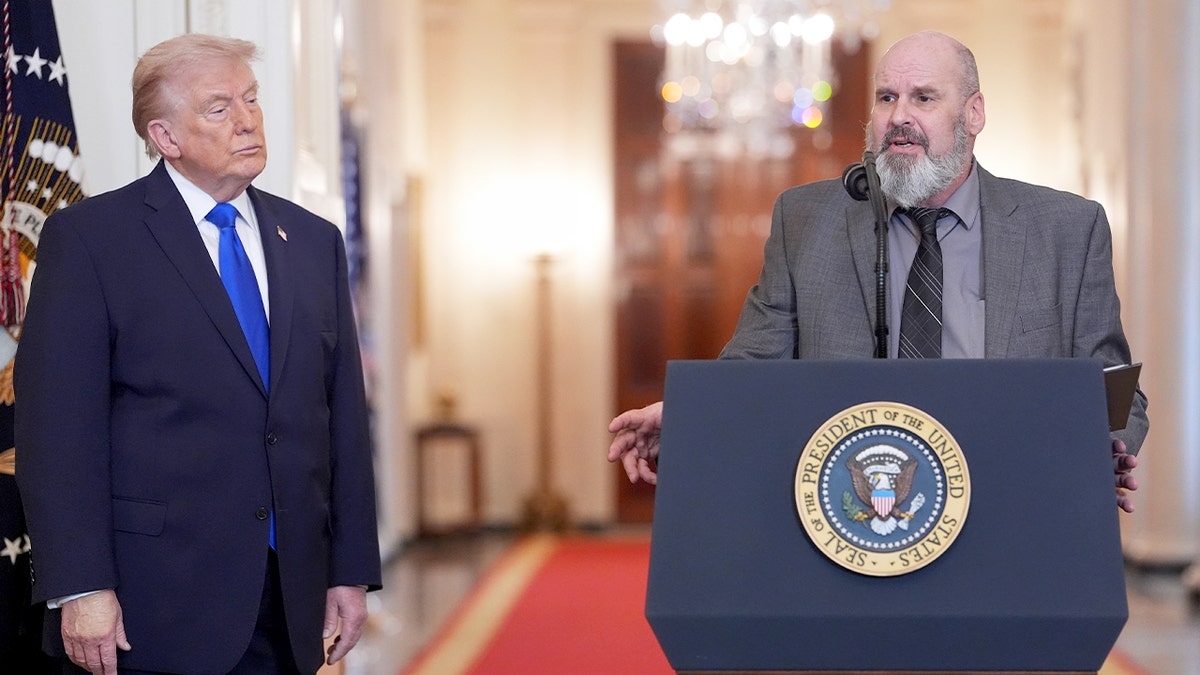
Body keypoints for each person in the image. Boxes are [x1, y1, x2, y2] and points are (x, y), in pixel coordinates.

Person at [608, 30, 1146, 513]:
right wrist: (686, 414)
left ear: (975, 113)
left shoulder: (1066, 228)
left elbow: (1111, 388)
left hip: (1010, 508)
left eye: (924, 98)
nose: (899, 117)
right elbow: (752, 366)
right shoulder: (806, 220)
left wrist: (1104, 448)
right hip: (853, 511)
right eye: (886, 98)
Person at [14, 34, 381, 674]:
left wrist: (349, 570)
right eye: (218, 108)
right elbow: (56, 435)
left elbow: (341, 418)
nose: (247, 119)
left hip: (288, 597)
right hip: (151, 605)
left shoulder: (313, 243)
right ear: (165, 136)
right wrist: (82, 587)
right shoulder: (92, 241)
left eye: (251, 99)